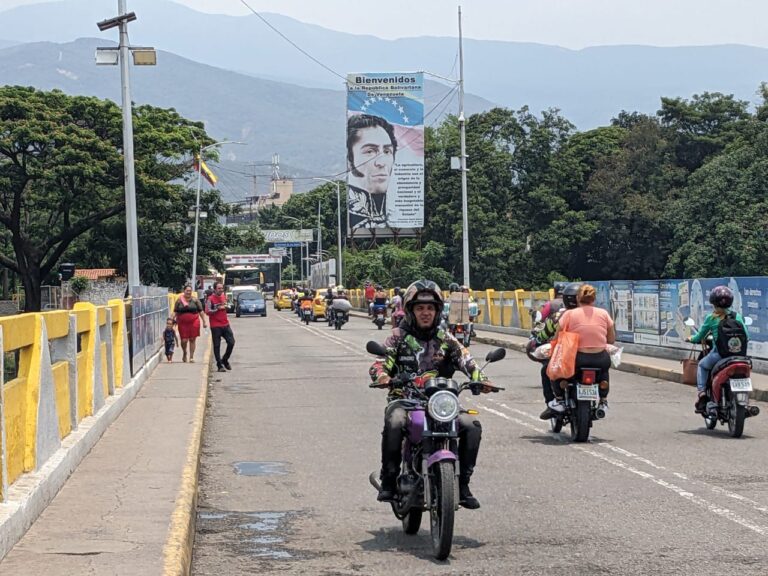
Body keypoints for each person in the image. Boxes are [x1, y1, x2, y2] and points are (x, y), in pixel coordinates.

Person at [369, 280, 494, 509]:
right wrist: (382, 376)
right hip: (405, 400)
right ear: (410, 310)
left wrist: (480, 378)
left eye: (430, 308)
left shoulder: (446, 338)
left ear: (437, 311)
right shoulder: (397, 336)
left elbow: (466, 360)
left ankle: (463, 484)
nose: (425, 313)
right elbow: (380, 363)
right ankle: (389, 479)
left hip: (441, 402)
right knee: (395, 422)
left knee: (471, 425)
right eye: (420, 308)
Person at [548, 284, 615, 416]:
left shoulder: (569, 314)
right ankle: (603, 400)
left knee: (554, 369)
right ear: (594, 299)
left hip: (576, 359)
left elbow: (557, 338)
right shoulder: (604, 314)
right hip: (600, 359)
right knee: (604, 372)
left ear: (578, 298)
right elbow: (611, 340)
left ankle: (560, 400)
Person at [686, 285, 749, 412]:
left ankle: (702, 393)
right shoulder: (737, 317)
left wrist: (690, 338)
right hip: (739, 356)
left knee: (702, 365)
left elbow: (699, 336)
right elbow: (747, 336)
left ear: (714, 303)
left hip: (719, 355)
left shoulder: (712, 318)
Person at [347, 114, 397, 230]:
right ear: (350, 160)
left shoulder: (398, 217)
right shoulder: (350, 217)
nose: (381, 162)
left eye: (387, 151)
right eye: (370, 151)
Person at [533, 282, 572, 419]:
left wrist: (538, 338)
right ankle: (602, 400)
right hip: (590, 355)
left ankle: (552, 403)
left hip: (565, 354)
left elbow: (544, 331)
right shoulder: (595, 313)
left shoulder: (558, 314)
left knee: (547, 371)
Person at [173, 284, 207, 363]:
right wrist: (171, 320)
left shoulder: (195, 300)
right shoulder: (179, 301)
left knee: (192, 339)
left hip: (194, 322)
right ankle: (184, 352)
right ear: (184, 291)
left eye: (190, 291)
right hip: (182, 323)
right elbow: (175, 311)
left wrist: (204, 321)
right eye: (187, 291)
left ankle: (191, 357)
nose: (188, 292)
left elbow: (201, 311)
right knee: (184, 340)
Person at [206, 281, 235, 372]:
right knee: (217, 345)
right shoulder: (210, 299)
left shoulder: (224, 296)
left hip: (225, 324)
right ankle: (219, 365)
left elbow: (229, 305)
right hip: (215, 325)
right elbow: (207, 311)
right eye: (219, 288)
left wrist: (227, 307)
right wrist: (217, 309)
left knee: (231, 342)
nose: (221, 290)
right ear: (215, 289)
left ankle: (225, 359)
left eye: (222, 288)